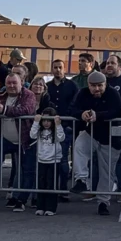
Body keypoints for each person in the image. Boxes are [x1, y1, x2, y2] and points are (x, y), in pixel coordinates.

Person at [69, 71, 121, 215]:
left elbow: (116, 111)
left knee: (107, 173)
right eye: (93, 86)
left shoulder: (112, 94)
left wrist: (97, 116)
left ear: (106, 84)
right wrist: (81, 114)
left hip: (110, 138)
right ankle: (81, 180)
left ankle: (103, 202)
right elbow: (73, 108)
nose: (97, 89)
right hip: (91, 133)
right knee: (79, 146)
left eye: (100, 86)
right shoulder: (83, 93)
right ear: (88, 85)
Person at [0, 72, 38, 211]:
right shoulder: (0, 95)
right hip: (6, 139)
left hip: (26, 140)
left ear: (21, 82)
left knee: (26, 171)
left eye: (14, 83)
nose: (11, 86)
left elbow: (26, 109)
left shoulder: (28, 95)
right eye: (8, 83)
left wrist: (4, 110)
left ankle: (21, 200)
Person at [46, 59, 78, 192]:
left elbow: (75, 103)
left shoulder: (72, 85)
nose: (58, 70)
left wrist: (68, 120)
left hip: (66, 126)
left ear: (64, 69)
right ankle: (50, 187)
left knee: (63, 157)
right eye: (55, 67)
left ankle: (63, 188)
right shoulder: (47, 86)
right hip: (50, 126)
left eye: (60, 67)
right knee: (49, 158)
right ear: (52, 69)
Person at [30, 110, 65, 216]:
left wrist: (58, 124)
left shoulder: (56, 130)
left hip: (54, 161)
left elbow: (61, 137)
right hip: (41, 160)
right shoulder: (39, 130)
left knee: (51, 185)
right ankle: (40, 206)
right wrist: (36, 122)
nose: (46, 123)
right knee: (41, 184)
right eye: (44, 120)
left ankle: (51, 207)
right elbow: (32, 135)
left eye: (49, 120)